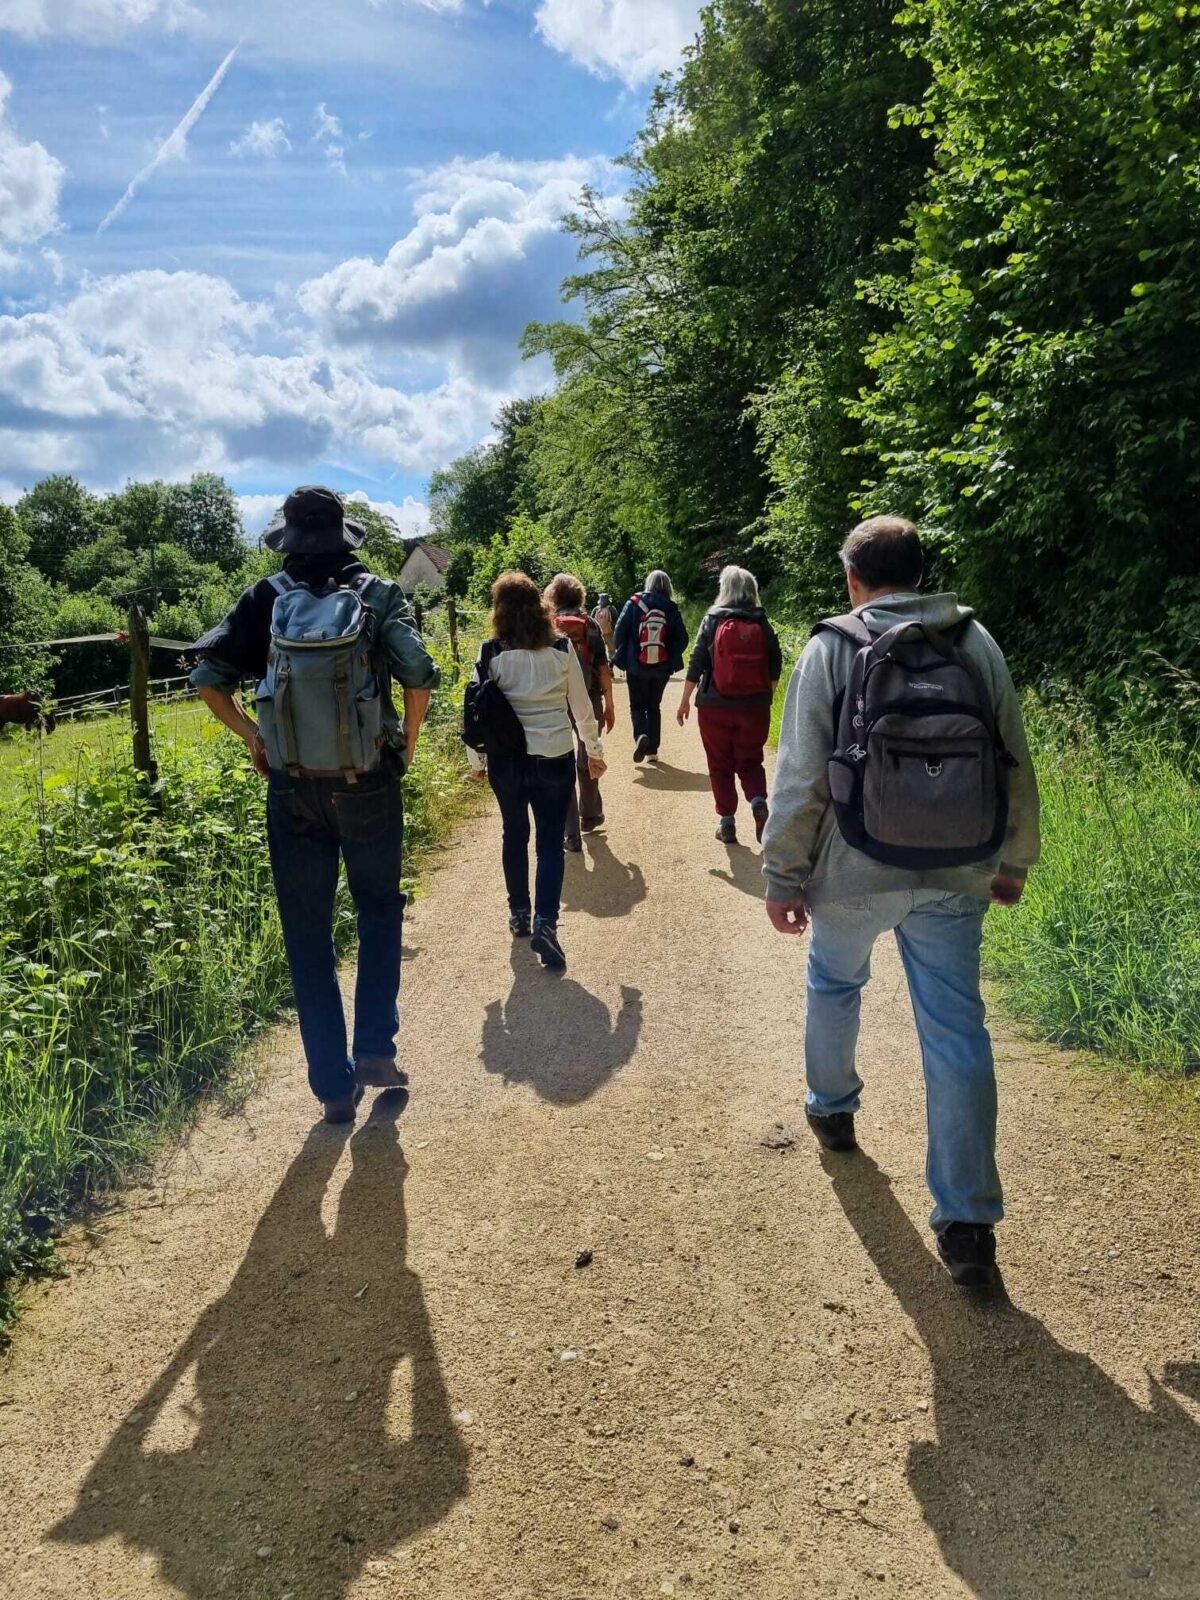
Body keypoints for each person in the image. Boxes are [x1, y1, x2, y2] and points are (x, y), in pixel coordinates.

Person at [762, 515, 1040, 1287]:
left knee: (834, 982)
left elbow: (800, 777)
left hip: (854, 868)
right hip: (958, 869)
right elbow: (1014, 759)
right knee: (956, 1033)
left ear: (853, 579)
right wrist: (1014, 858)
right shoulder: (977, 644)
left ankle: (832, 1107)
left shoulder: (830, 648)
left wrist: (783, 876)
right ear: (921, 574)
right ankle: (968, 1224)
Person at [190, 485, 439, 1126]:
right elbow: (419, 673)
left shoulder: (266, 598)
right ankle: (376, 1050)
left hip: (292, 787)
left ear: (290, 540)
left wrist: (255, 737)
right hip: (368, 782)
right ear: (344, 535)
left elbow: (207, 678)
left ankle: (331, 1086)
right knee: (379, 910)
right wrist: (406, 743)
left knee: (307, 932)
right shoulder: (379, 594)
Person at [466, 572, 606, 970]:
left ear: (499, 612)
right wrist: (593, 752)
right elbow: (582, 708)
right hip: (553, 755)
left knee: (514, 833)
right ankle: (547, 921)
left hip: (506, 760)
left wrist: (476, 761)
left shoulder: (491, 652)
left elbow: (475, 709)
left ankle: (519, 913)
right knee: (549, 842)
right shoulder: (561, 648)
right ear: (540, 608)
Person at [677, 565, 782, 845]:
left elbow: (697, 660)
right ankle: (758, 801)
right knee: (751, 759)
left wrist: (685, 699)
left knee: (719, 763)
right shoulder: (761, 621)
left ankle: (727, 824)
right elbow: (776, 663)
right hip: (754, 707)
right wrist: (765, 697)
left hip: (714, 706)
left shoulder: (713, 619)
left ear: (725, 589)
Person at [545, 573, 615, 851]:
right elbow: (602, 668)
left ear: (553, 596)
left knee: (561, 762)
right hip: (589, 696)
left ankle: (570, 831)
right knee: (588, 757)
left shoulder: (548, 624)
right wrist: (610, 704)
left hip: (555, 701)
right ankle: (591, 815)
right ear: (579, 595)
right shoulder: (591, 624)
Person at [612, 570, 689, 763]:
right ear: (668, 587)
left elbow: (618, 633)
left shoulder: (634, 603)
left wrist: (627, 652)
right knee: (654, 706)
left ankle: (641, 735)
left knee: (637, 705)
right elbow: (683, 639)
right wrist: (669, 654)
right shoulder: (671, 608)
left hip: (635, 666)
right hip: (661, 668)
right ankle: (652, 752)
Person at [591, 591, 618, 660]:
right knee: (611, 649)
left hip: (598, 632)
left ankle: (601, 661)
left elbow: (591, 619)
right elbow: (616, 620)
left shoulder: (596, 609)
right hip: (610, 632)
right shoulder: (611, 608)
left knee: (599, 648)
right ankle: (612, 661)